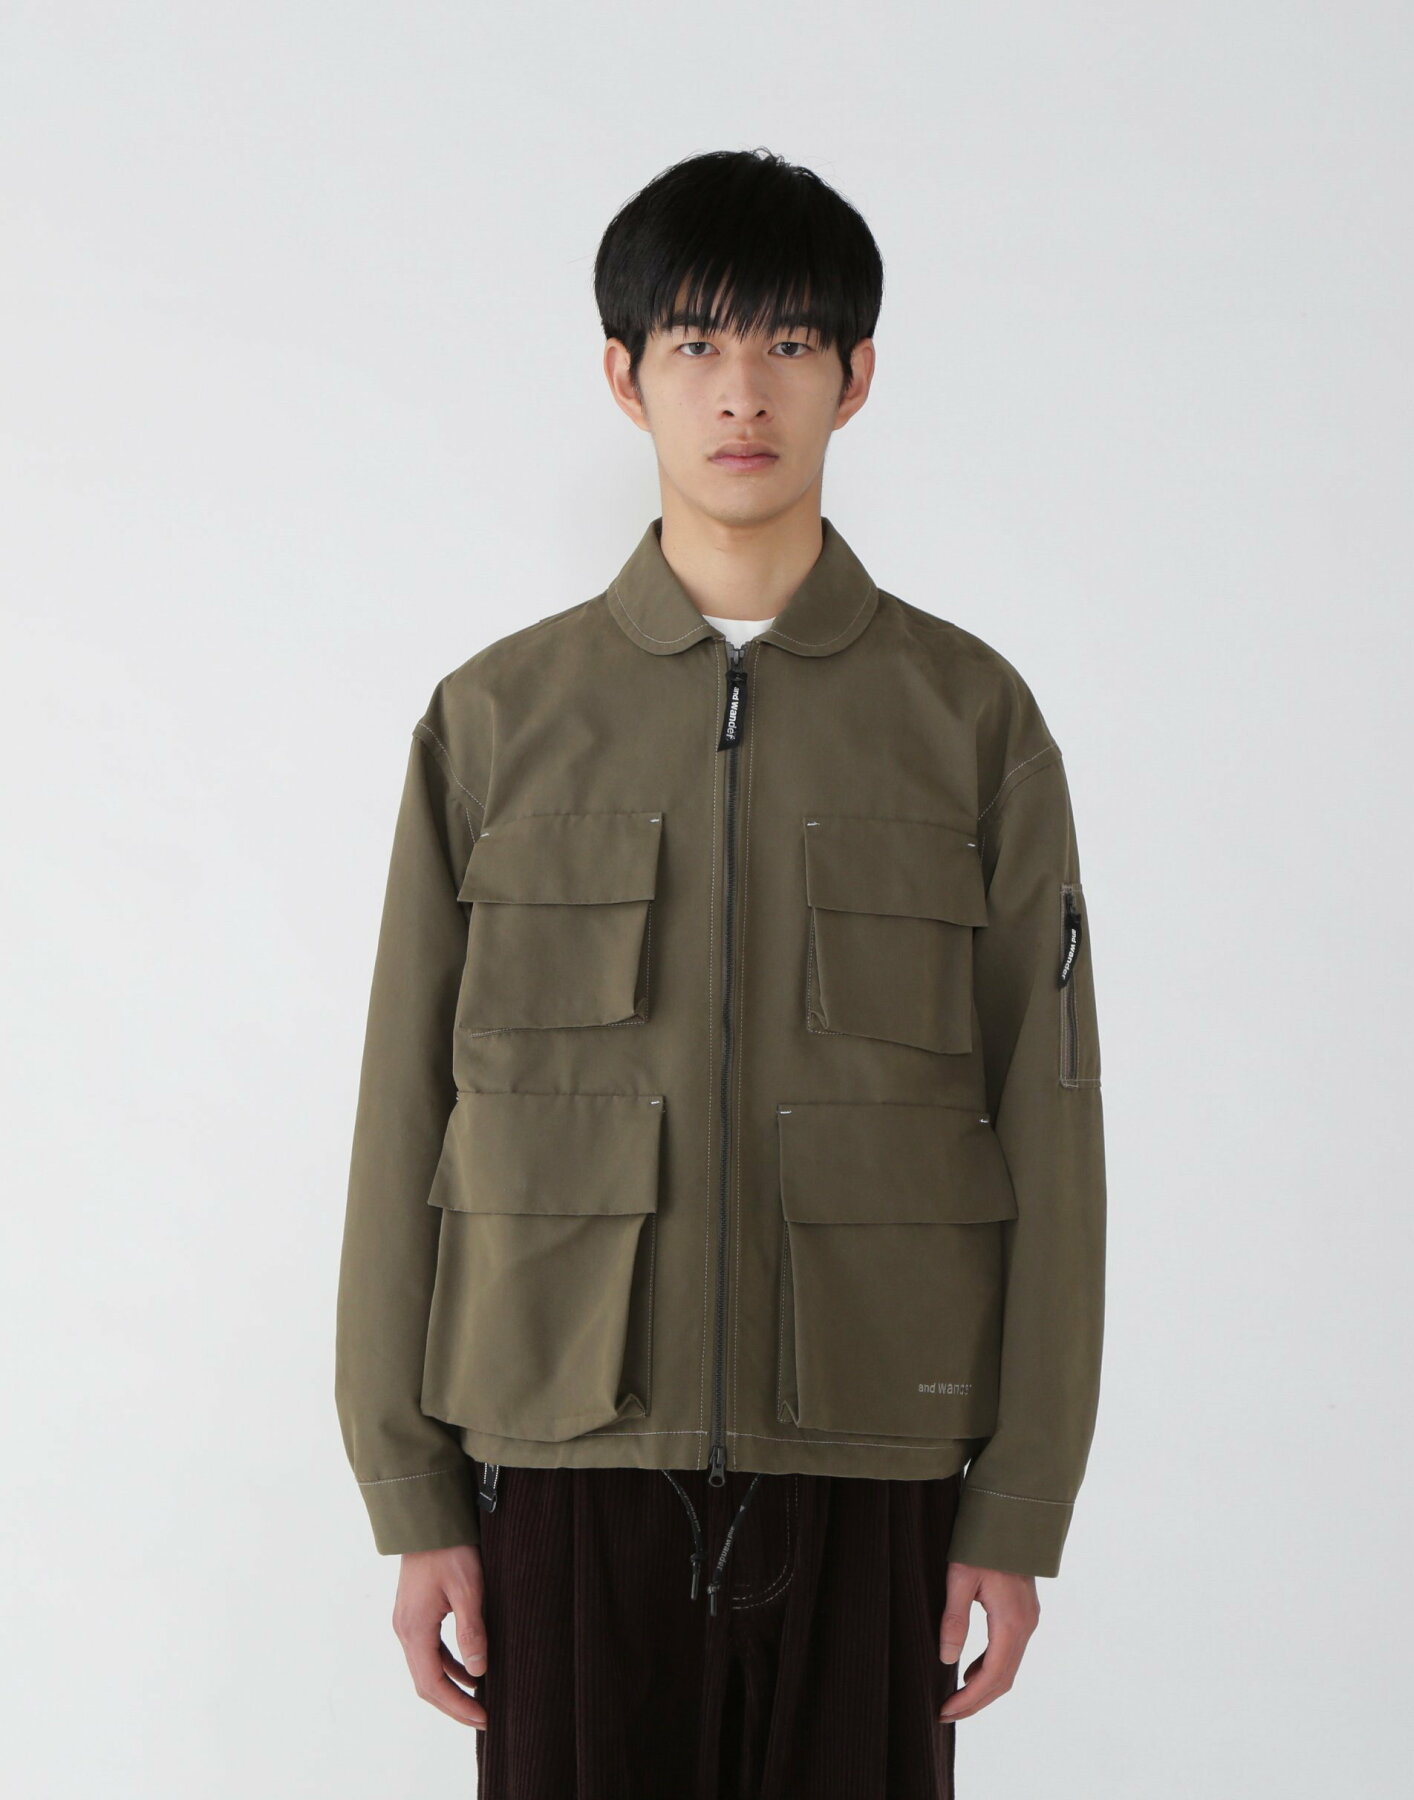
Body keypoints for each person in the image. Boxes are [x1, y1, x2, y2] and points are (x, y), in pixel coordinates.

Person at [334, 146, 1107, 1800]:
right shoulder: (495, 722)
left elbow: (1052, 1129)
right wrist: (412, 1496)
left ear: (855, 377)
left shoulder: (971, 720)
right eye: (695, 344)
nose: (742, 391)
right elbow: (402, 1110)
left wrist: (1019, 1503)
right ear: (625, 378)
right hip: (558, 1465)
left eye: (789, 344)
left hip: (878, 1464)